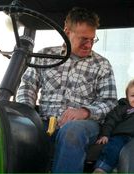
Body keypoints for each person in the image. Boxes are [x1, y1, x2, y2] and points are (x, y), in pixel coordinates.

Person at [16, 7, 117, 173]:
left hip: (84, 125)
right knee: (14, 127)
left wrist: (85, 112)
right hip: (45, 121)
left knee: (72, 131)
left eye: (93, 39)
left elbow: (109, 102)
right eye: (84, 39)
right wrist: (27, 115)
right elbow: (27, 86)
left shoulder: (102, 65)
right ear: (67, 31)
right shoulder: (45, 55)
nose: (89, 44)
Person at [93, 78, 134, 173]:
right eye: (133, 95)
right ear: (128, 98)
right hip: (121, 137)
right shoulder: (122, 109)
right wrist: (105, 134)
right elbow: (110, 121)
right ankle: (102, 168)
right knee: (112, 148)